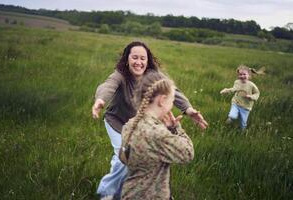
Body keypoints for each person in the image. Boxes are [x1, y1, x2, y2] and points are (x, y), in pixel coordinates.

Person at [92, 41, 208, 200]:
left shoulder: (153, 76)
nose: (138, 62)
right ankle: (107, 191)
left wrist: (187, 109)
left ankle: (133, 189)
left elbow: (173, 91)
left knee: (135, 159)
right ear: (127, 59)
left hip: (142, 124)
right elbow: (108, 86)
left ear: (148, 61)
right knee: (123, 158)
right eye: (134, 58)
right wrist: (100, 100)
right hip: (118, 123)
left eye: (142, 58)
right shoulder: (120, 74)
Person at [119, 73, 194, 199]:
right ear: (162, 100)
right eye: (172, 100)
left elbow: (123, 158)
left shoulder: (129, 125)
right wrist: (175, 128)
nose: (172, 105)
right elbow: (187, 153)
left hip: (129, 194)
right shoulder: (157, 133)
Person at [220, 64, 264, 129]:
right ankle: (230, 120)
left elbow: (257, 93)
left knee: (243, 123)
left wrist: (251, 97)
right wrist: (226, 90)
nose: (242, 76)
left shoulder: (251, 85)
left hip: (246, 107)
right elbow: (234, 89)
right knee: (232, 116)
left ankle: (242, 132)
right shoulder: (237, 82)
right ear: (238, 75)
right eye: (240, 74)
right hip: (236, 103)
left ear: (249, 75)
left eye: (244, 74)